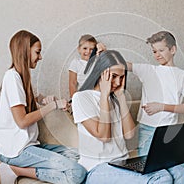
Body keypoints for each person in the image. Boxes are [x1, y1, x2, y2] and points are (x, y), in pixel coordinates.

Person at [0, 30, 87, 184]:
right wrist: (53, 106)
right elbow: (22, 121)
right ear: (24, 50)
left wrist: (46, 100)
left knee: (79, 155)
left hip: (30, 146)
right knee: (77, 173)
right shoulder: (12, 78)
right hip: (17, 151)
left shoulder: (23, 78)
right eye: (37, 52)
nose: (40, 57)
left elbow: (36, 97)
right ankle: (13, 170)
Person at [72, 50, 174, 183]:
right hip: (97, 168)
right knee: (162, 178)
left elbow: (130, 134)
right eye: (114, 76)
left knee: (178, 171)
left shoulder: (115, 99)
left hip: (123, 162)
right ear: (100, 73)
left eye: (121, 77)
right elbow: (103, 136)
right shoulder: (81, 98)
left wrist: (120, 97)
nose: (118, 82)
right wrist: (104, 96)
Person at [127, 31, 184, 183]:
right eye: (154, 51)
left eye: (161, 50)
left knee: (181, 172)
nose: (157, 55)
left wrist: (162, 107)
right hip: (147, 132)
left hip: (170, 133)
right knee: (156, 171)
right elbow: (119, 64)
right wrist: (103, 51)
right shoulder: (147, 70)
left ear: (172, 50)